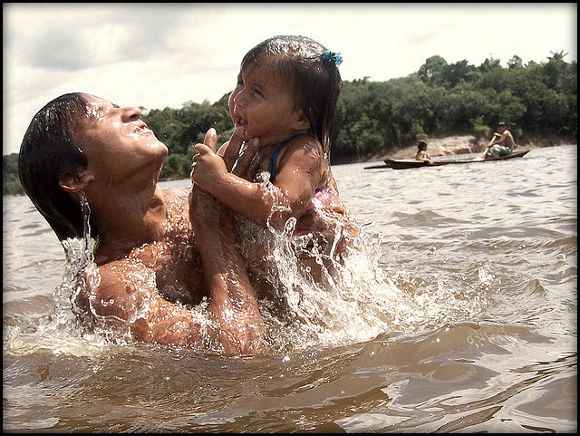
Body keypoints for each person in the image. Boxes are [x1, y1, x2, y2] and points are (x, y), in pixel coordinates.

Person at [18, 92, 267, 355]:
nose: (132, 110)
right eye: (101, 115)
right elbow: (239, 352)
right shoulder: (107, 286)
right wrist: (212, 227)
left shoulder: (197, 198)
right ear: (75, 177)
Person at [191, 35, 358, 291]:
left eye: (257, 92)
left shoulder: (304, 151)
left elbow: (280, 210)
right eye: (240, 83)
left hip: (314, 256)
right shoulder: (236, 149)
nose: (238, 99)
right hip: (278, 258)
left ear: (302, 118)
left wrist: (220, 181)